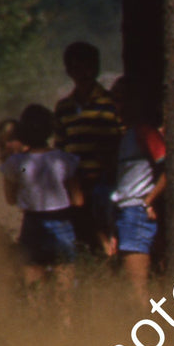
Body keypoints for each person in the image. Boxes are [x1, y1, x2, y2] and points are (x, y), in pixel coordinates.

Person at [2, 104, 83, 326]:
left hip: (32, 225)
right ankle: (65, 336)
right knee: (65, 294)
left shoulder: (15, 163)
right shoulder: (65, 160)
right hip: (61, 223)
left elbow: (10, 199)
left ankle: (37, 337)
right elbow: (78, 200)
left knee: (34, 292)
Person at [53, 41, 123, 255]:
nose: (83, 73)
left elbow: (121, 137)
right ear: (69, 71)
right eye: (76, 68)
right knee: (82, 233)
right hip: (76, 183)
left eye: (88, 67)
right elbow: (61, 147)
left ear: (96, 68)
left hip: (107, 181)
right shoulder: (64, 107)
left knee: (108, 231)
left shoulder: (111, 103)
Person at [104, 76, 167, 308]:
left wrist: (149, 200)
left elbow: (168, 169)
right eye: (115, 102)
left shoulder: (145, 133)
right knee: (130, 286)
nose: (118, 108)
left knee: (137, 289)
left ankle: (148, 335)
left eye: (122, 101)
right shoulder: (128, 135)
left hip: (136, 213)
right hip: (125, 213)